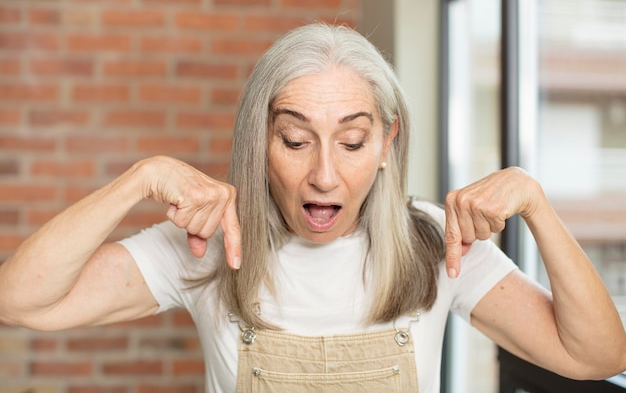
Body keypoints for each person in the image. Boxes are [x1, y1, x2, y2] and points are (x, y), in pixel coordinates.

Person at [0, 23, 624, 392]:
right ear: (260, 142)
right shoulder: (211, 244)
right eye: (295, 141)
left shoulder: (434, 244)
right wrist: (139, 180)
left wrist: (537, 205)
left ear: (387, 143)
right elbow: (17, 301)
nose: (323, 174)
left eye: (351, 142)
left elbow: (598, 354)